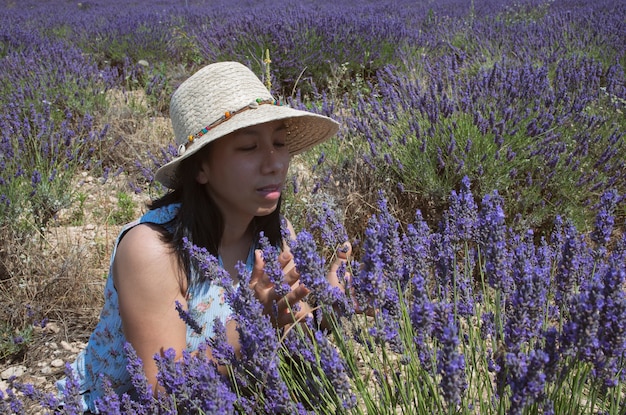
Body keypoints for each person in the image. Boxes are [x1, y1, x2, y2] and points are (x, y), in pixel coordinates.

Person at [56, 61, 350, 413]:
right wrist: (254, 321)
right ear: (201, 169)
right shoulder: (152, 251)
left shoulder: (272, 235)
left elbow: (288, 327)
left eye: (279, 142)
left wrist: (329, 302)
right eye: (248, 147)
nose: (274, 163)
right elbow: (164, 394)